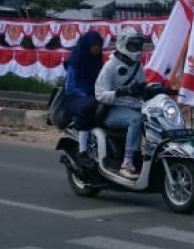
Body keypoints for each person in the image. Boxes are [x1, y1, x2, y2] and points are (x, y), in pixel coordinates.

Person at [95, 28, 147, 178]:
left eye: (138, 46)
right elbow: (100, 94)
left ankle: (146, 155)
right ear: (123, 44)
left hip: (134, 106)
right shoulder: (110, 66)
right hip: (112, 110)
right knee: (135, 120)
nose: (136, 49)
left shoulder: (137, 66)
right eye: (132, 46)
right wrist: (120, 92)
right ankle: (127, 163)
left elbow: (142, 86)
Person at [63, 30, 104, 162]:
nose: (97, 48)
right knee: (89, 105)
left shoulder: (97, 61)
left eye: (99, 45)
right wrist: (86, 94)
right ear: (87, 45)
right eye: (94, 45)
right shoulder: (75, 61)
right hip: (74, 98)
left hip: (93, 95)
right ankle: (82, 150)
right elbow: (70, 87)